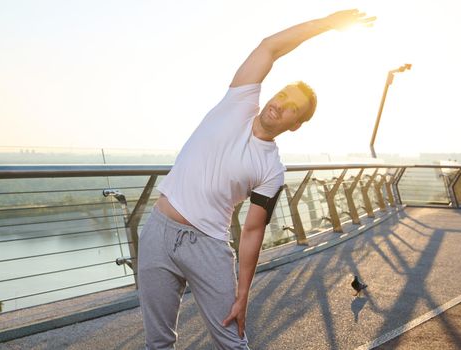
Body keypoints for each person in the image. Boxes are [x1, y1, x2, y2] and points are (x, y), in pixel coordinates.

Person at [138, 9, 375, 349]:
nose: (280, 104)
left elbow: (252, 231)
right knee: (157, 343)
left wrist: (243, 293)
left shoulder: (272, 170)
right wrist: (328, 24)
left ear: (295, 124)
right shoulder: (240, 100)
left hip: (207, 246)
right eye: (282, 95)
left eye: (292, 107)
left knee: (232, 340)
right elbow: (270, 47)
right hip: (158, 232)